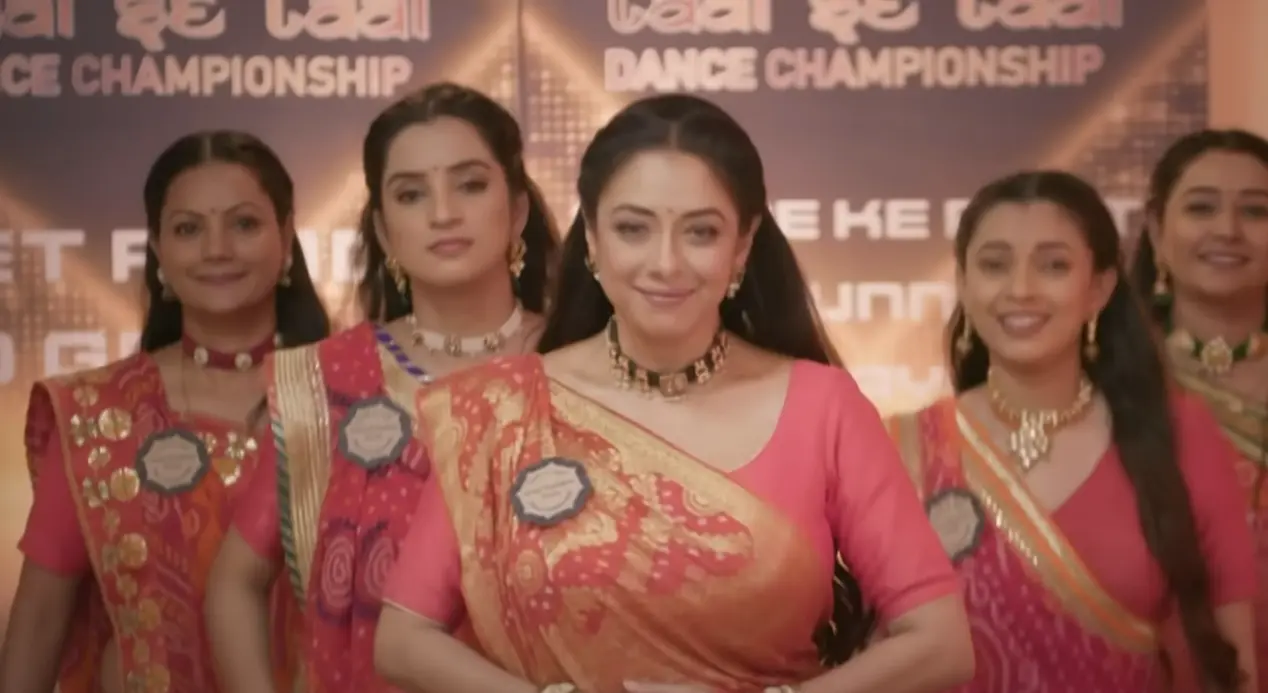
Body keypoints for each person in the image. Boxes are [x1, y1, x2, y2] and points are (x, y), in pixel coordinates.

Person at [372, 93, 974, 693]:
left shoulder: (823, 405)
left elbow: (940, 643)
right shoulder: (502, 409)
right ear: (593, 239)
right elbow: (403, 639)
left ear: (742, 245)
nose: (666, 263)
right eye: (633, 229)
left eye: (701, 232)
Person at [205, 82, 560, 693]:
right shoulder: (329, 381)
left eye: (470, 185)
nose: (443, 213)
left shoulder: (578, 364)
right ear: (384, 229)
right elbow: (235, 582)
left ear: (519, 209)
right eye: (411, 194)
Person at [888, 170, 1258, 691]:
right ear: (964, 285)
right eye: (994, 265)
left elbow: (1234, 660)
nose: (1020, 289)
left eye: (1054, 266)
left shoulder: (1177, 434)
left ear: (1099, 289)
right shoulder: (904, 447)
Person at [0, 131, 331, 693]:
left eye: (244, 224)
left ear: (286, 237)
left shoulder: (347, 395)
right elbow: (39, 622)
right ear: (157, 250)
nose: (217, 248)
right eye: (188, 229)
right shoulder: (99, 414)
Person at [1131, 129, 1268, 692]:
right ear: (1157, 232)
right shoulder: (1113, 386)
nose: (1228, 230)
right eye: (1202, 208)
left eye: (1256, 211)